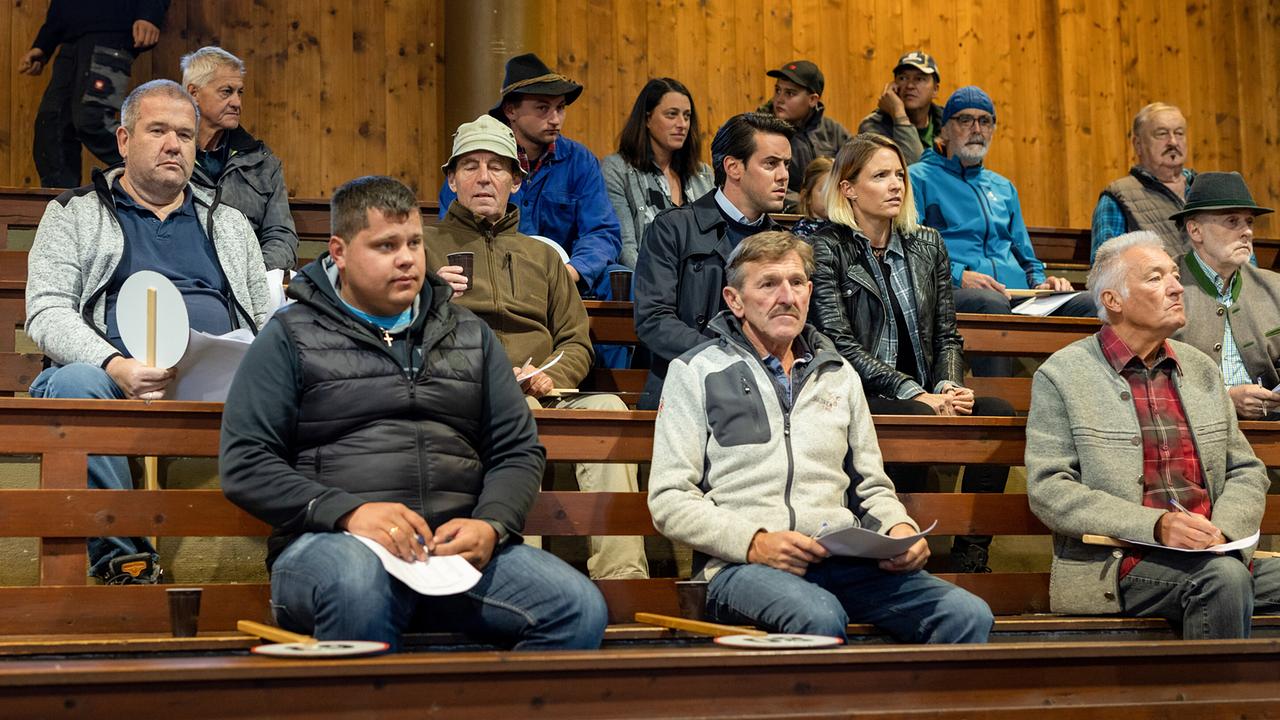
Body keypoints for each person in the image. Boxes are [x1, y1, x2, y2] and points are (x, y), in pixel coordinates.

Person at [220, 175, 608, 651]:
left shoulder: (470, 334)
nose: (407, 258)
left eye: (414, 243)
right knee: (355, 583)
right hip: (331, 546)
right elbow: (245, 463)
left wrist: (491, 523)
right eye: (385, 245)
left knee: (577, 607)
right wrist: (349, 514)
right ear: (339, 252)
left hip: (451, 551)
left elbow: (517, 450)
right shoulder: (291, 335)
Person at [647, 230, 993, 643]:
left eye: (796, 283)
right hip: (741, 567)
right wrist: (754, 542)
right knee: (819, 616)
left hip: (845, 561)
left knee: (967, 614)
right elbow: (669, 499)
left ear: (810, 292)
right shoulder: (696, 372)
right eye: (768, 284)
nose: (787, 297)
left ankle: (905, 710)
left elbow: (871, 487)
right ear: (734, 300)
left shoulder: (839, 374)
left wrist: (899, 529)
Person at [25, 79, 270, 584]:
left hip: (217, 385)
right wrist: (116, 365)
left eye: (183, 133)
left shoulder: (228, 224)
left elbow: (264, 320)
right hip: (110, 381)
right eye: (157, 130)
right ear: (123, 140)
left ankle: (299, 557)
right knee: (74, 385)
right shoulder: (74, 213)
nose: (172, 144)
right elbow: (47, 311)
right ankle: (126, 561)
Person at [427, 114, 649, 581]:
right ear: (451, 180)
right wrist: (428, 296)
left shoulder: (543, 255)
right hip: (468, 391)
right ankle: (520, 577)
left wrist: (553, 376)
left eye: (496, 167)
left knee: (609, 408)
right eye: (470, 166)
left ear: (516, 179)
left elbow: (575, 340)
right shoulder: (424, 247)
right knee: (516, 412)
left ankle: (624, 580)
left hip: (543, 387)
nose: (483, 177)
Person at [1026, 231, 1278, 639]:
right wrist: (1156, 525)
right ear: (1113, 301)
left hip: (1216, 553)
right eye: (1156, 278)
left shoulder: (1200, 369)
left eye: (1175, 275)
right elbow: (1049, 489)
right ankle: (1218, 705)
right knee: (1222, 581)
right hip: (1123, 565)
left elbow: (1246, 469)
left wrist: (1224, 532)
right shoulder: (1064, 375)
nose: (1177, 287)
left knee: (1223, 575)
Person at [808, 134, 1016, 573]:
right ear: (847, 187)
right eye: (880, 175)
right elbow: (839, 344)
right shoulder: (825, 246)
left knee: (998, 413)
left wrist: (949, 385)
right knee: (910, 413)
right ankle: (890, 544)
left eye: (899, 175)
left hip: (925, 390)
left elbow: (946, 334)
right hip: (858, 391)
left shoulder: (926, 244)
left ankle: (970, 553)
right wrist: (913, 391)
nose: (896, 185)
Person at [908, 86, 1095, 376]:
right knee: (991, 303)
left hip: (1018, 295)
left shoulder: (1003, 187)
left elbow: (1025, 254)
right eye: (965, 120)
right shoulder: (918, 177)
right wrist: (959, 275)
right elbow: (913, 246)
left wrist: (1043, 285)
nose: (976, 129)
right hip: (955, 292)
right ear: (944, 129)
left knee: (1088, 303)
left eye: (985, 121)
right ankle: (1000, 409)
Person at [633, 112, 793, 409]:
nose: (784, 175)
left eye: (786, 164)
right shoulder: (673, 228)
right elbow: (654, 320)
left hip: (764, 394)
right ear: (733, 167)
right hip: (685, 388)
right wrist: (726, 358)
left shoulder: (785, 243)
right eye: (771, 164)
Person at [436, 53, 623, 300]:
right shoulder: (477, 158)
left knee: (620, 278)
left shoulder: (580, 160)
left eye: (560, 108)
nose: (555, 119)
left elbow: (601, 231)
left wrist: (573, 271)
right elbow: (455, 230)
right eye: (543, 108)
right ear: (511, 110)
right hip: (496, 275)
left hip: (568, 277)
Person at [18, 0, 171, 188]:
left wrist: (150, 12)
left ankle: (162, 169)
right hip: (70, 41)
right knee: (51, 124)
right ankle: (61, 203)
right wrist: (44, 44)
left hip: (112, 30)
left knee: (92, 119)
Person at [1167, 172, 1280, 420]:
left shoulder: (1275, 287)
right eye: (1232, 221)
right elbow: (1150, 375)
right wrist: (1225, 398)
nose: (1247, 232)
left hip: (1270, 424)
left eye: (1249, 222)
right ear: (1195, 231)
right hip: (1190, 424)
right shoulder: (1166, 285)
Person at [182, 46, 298, 271]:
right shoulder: (169, 158)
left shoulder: (263, 162)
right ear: (193, 93)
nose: (237, 103)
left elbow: (281, 237)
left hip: (250, 280)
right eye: (226, 91)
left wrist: (251, 276)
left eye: (240, 92)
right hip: (186, 282)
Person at [602, 78, 714, 269]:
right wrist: (657, 285)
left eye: (687, 116)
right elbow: (626, 247)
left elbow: (716, 241)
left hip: (701, 283)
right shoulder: (617, 168)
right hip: (649, 284)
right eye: (672, 115)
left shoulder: (703, 173)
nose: (682, 124)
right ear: (647, 119)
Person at [1091, 103, 1196, 260]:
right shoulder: (1117, 197)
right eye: (1162, 134)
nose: (1173, 142)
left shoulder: (1207, 190)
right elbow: (1105, 270)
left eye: (1179, 133)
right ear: (1138, 145)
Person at [762, 60, 851, 207]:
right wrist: (806, 202)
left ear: (812, 100)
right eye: (778, 90)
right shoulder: (762, 132)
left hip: (831, 213)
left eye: (790, 93)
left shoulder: (834, 132)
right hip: (781, 216)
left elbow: (854, 175)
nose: (779, 99)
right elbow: (763, 183)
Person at [856, 51, 944, 164]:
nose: (910, 86)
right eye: (903, 78)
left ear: (935, 90)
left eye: (919, 79)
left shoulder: (948, 122)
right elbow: (916, 171)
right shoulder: (873, 126)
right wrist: (899, 114)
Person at [790, 157, 832, 239]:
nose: (832, 196)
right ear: (807, 196)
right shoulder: (802, 233)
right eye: (825, 190)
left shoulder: (845, 228)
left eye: (837, 190)